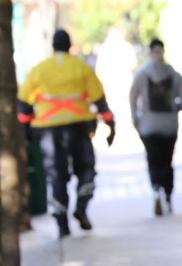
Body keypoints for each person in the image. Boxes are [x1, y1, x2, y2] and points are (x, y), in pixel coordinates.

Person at [17, 29, 116, 238]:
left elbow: (24, 102)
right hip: (79, 128)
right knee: (86, 169)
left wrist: (26, 129)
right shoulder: (80, 67)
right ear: (70, 45)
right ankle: (81, 206)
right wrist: (110, 122)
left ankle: (62, 223)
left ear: (53, 46)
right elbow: (99, 99)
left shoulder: (40, 70)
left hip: (48, 131)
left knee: (57, 176)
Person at [129, 38, 182, 216]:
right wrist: (175, 108)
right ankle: (168, 196)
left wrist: (136, 118)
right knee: (167, 161)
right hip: (169, 125)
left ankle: (156, 190)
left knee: (153, 160)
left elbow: (132, 96)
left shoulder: (142, 74)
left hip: (148, 125)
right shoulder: (173, 74)